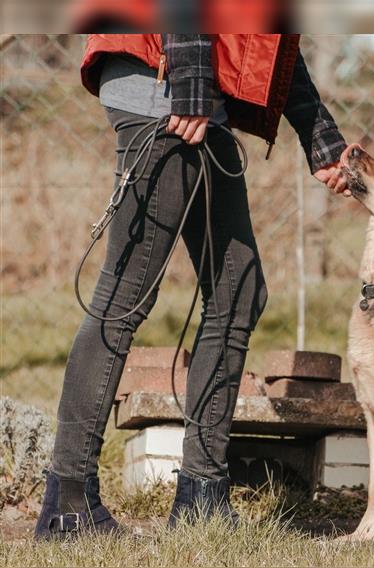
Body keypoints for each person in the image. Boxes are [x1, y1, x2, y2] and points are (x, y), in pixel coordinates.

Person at [35, 34, 352, 539]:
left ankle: (202, 496)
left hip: (194, 94)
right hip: (167, 89)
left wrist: (323, 140)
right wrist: (191, 83)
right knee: (125, 295)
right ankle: (69, 501)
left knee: (238, 290)